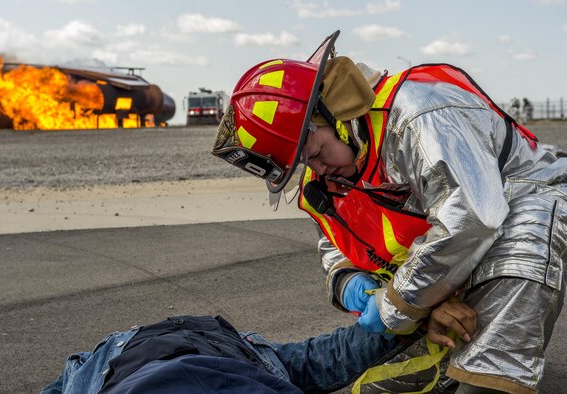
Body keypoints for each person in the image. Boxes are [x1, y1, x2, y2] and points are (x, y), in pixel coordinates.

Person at [212, 30, 567, 393]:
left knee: (519, 260)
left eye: (317, 152)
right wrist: (348, 281)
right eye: (304, 163)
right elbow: (337, 244)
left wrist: (398, 305)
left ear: (334, 115)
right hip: (452, 257)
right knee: (382, 384)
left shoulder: (417, 114)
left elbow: (473, 215)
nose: (317, 169)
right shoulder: (329, 179)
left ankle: (490, 378)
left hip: (526, 196)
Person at [41, 301, 476, 394]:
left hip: (122, 359)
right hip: (229, 350)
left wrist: (412, 311)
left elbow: (330, 359)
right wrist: (413, 311)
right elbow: (329, 359)